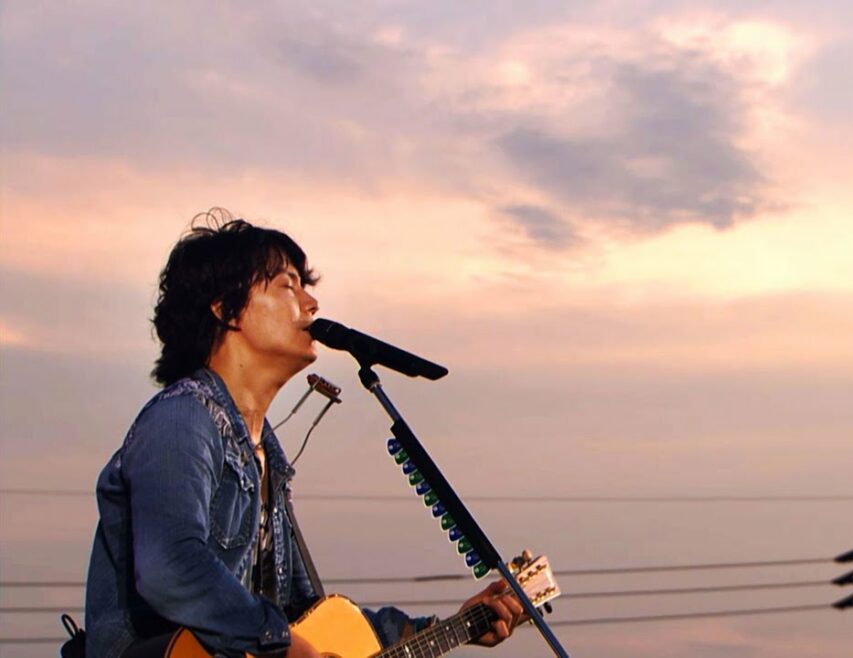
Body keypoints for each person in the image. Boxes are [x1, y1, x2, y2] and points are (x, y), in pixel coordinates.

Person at [84, 211, 524, 657]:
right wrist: (284, 643)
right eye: (287, 285)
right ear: (225, 307)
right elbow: (171, 567)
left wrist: (452, 626)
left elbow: (304, 616)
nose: (311, 304)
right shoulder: (182, 418)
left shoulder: (266, 459)